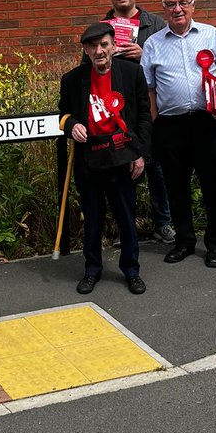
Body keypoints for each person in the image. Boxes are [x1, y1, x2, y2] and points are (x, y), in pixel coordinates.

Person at [141, 0, 216, 268]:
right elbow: (149, 91)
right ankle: (184, 241)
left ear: (193, 5)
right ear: (164, 9)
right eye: (171, 4)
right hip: (171, 127)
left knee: (214, 185)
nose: (178, 9)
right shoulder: (153, 43)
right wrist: (156, 124)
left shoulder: (211, 34)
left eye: (183, 3)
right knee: (176, 187)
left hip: (210, 122)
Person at [59, 23, 151, 295]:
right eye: (93, 46)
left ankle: (131, 270)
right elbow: (63, 115)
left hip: (123, 157)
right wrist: (71, 125)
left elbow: (144, 117)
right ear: (86, 50)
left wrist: (141, 154)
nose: (99, 51)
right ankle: (92, 270)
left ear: (113, 45)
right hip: (90, 160)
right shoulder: (72, 80)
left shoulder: (132, 73)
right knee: (93, 220)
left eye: (104, 45)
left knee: (126, 217)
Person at [102, 0, 173, 242]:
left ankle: (162, 222)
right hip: (115, 108)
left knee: (156, 166)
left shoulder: (155, 24)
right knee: (121, 167)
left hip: (150, 105)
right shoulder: (103, 27)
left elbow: (170, 61)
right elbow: (90, 65)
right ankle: (125, 226)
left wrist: (144, 54)